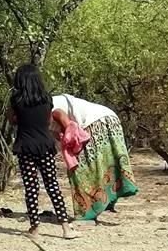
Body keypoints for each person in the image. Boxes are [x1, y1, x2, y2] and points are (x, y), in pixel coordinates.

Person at [8, 65, 78, 240]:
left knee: (31, 187)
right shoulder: (47, 99)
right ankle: (65, 227)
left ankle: (35, 228)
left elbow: (12, 121)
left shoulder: (16, 100)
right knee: (52, 185)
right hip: (45, 145)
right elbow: (47, 121)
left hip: (25, 146)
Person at [51, 94, 139, 222]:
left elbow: (62, 119)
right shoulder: (49, 102)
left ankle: (88, 212)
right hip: (110, 118)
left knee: (83, 169)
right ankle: (107, 201)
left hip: (93, 122)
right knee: (108, 164)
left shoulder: (45, 110)